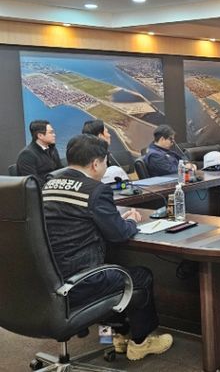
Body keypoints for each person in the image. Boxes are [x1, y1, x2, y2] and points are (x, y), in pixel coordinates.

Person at [42, 134, 173, 361]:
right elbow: (119, 234)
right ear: (95, 164)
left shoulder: (48, 185)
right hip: (80, 280)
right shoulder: (95, 189)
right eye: (105, 162)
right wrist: (130, 221)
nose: (105, 167)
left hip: (48, 278)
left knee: (112, 271)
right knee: (139, 277)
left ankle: (114, 337)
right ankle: (140, 342)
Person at [16, 120, 63, 186]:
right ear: (40, 135)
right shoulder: (26, 155)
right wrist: (54, 186)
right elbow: (32, 181)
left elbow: (60, 170)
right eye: (51, 133)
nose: (54, 135)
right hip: (41, 189)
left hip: (55, 186)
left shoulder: (52, 149)